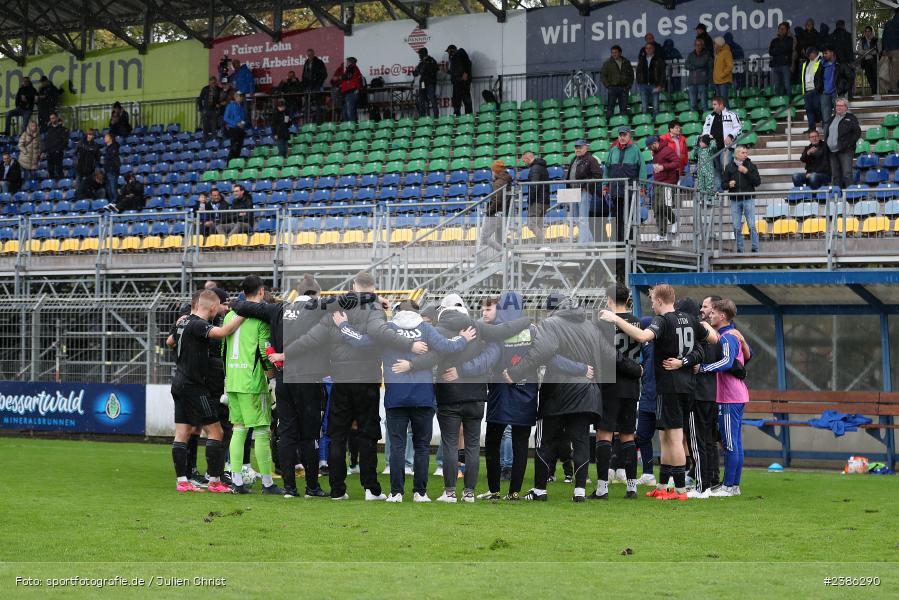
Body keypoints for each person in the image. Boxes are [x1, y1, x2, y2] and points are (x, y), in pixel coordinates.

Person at [284, 271, 424, 500]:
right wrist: (411, 345)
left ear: (352, 286)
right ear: (374, 288)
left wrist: (285, 354)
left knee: (338, 435)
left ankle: (338, 490)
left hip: (340, 379)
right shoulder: (374, 309)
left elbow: (312, 338)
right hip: (367, 379)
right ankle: (371, 489)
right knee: (367, 434)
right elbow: (379, 333)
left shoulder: (336, 308)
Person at [346, 299, 474, 503]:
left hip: (396, 395)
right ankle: (420, 493)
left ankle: (396, 492)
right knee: (422, 446)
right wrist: (464, 339)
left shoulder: (387, 330)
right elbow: (445, 348)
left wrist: (343, 326)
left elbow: (361, 342)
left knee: (397, 444)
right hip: (422, 395)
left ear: (397, 313)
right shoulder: (426, 328)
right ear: (418, 313)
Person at [599, 284, 711, 502]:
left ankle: (679, 490)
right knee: (665, 436)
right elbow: (710, 339)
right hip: (678, 384)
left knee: (675, 437)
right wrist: (685, 361)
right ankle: (663, 485)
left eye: (652, 300)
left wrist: (616, 320)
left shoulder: (662, 321)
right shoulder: (689, 320)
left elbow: (642, 337)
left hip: (670, 385)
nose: (651, 304)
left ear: (660, 300)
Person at [231, 274, 330, 499]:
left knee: (286, 433)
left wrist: (233, 304)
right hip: (309, 379)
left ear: (297, 292)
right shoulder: (320, 309)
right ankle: (312, 487)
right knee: (310, 435)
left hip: (284, 379)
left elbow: (245, 307)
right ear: (317, 293)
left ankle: (289, 488)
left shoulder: (278, 310)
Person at [507, 295, 611, 503]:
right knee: (581, 441)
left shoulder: (550, 324)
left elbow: (543, 353)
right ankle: (579, 490)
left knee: (545, 441)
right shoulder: (591, 327)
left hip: (557, 393)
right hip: (586, 392)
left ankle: (539, 490)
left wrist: (515, 373)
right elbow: (609, 355)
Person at [168, 289, 245, 493]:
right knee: (216, 431)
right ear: (212, 307)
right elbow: (222, 333)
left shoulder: (183, 322)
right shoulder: (199, 324)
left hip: (179, 382)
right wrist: (244, 314)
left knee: (183, 432)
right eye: (218, 306)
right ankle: (214, 482)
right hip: (194, 386)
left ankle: (183, 481)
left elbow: (169, 342)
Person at [432, 296, 498, 503]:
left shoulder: (437, 330)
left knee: (450, 443)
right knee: (472, 445)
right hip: (476, 395)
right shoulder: (480, 330)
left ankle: (450, 492)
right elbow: (488, 359)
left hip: (449, 395)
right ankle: (469, 492)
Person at [221, 276, 282, 495]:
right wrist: (271, 377)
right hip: (253, 381)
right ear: (262, 291)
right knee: (262, 431)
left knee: (238, 429)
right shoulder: (259, 317)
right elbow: (265, 351)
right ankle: (267, 483)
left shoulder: (230, 314)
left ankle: (236, 481)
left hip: (234, 380)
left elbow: (223, 350)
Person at [479, 293, 536, 501]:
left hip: (500, 391)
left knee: (493, 441)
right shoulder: (533, 330)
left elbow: (490, 358)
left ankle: (494, 490)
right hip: (526, 391)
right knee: (521, 444)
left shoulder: (496, 332)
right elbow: (542, 354)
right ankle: (514, 492)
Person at [592, 284, 643, 500]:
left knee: (604, 433)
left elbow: (603, 354)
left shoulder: (603, 321)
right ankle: (631, 487)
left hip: (610, 384)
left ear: (609, 299)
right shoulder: (638, 322)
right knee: (627, 434)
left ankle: (602, 488)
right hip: (631, 385)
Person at [697, 299, 749, 497]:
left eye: (713, 312)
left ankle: (728, 486)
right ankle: (733, 485)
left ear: (722, 316)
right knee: (735, 442)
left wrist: (703, 368)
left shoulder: (727, 337)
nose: (709, 314)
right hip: (735, 395)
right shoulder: (730, 335)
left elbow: (727, 362)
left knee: (729, 443)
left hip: (729, 397)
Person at [604, 128, 641, 244]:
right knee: (617, 217)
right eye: (620, 135)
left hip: (630, 190)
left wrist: (643, 186)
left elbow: (642, 168)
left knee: (630, 216)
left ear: (629, 136)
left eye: (624, 135)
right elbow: (607, 169)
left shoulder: (635, 150)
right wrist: (605, 185)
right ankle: (618, 241)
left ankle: (630, 241)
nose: (622, 137)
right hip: (615, 190)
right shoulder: (613, 151)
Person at [722, 145, 761, 253]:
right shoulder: (729, 166)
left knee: (752, 225)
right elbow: (723, 185)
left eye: (746, 153)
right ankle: (740, 249)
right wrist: (728, 184)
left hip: (748, 199)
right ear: (736, 154)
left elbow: (757, 182)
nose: (745, 155)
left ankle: (755, 248)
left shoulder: (751, 165)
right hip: (735, 200)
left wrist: (746, 172)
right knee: (736, 226)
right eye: (743, 153)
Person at [634, 316, 657, 486]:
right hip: (647, 395)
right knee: (642, 435)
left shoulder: (660, 343)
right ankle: (648, 473)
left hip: (662, 395)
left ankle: (676, 473)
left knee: (671, 436)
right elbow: (645, 363)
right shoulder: (645, 346)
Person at [567, 140, 603, 244]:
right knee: (576, 218)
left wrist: (586, 187)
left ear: (586, 148)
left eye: (580, 147)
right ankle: (590, 241)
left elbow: (597, 175)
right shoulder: (574, 159)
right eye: (576, 147)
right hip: (573, 192)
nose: (578, 149)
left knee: (582, 218)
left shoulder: (591, 159)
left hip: (584, 192)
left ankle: (582, 243)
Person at [702, 96, 742, 185]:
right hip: (713, 148)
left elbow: (739, 128)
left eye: (715, 104)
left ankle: (728, 192)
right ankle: (719, 193)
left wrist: (730, 136)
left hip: (726, 148)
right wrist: (706, 138)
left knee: (726, 169)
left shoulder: (732, 115)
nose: (713, 106)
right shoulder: (709, 117)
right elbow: (705, 130)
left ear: (721, 105)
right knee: (716, 171)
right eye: (713, 104)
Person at [647, 135, 679, 242]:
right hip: (658, 182)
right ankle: (662, 234)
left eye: (651, 147)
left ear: (655, 144)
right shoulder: (656, 153)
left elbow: (677, 162)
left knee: (663, 205)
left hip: (668, 183)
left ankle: (674, 220)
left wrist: (663, 167)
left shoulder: (667, 150)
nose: (650, 149)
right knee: (657, 208)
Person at [825, 98, 861, 189]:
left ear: (846, 107)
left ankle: (851, 197)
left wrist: (848, 144)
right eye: (837, 105)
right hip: (832, 152)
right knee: (835, 176)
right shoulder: (831, 118)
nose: (839, 107)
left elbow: (857, 133)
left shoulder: (851, 118)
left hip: (845, 150)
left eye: (841, 105)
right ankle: (837, 197)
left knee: (847, 174)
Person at [480, 160, 512, 251]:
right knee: (500, 239)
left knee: (485, 237)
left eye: (492, 170)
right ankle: (507, 255)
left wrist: (489, 211)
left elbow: (497, 200)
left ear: (495, 171)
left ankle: (505, 254)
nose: (492, 173)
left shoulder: (498, 183)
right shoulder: (506, 180)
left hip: (496, 214)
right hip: (503, 213)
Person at [816, 47, 853, 123]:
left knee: (841, 118)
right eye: (823, 53)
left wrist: (844, 88)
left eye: (826, 53)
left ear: (832, 53)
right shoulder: (821, 64)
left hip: (837, 94)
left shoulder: (840, 64)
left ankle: (840, 134)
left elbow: (851, 77)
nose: (824, 55)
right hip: (824, 94)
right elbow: (816, 78)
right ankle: (827, 135)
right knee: (826, 120)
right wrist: (819, 89)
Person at [522, 151, 549, 245]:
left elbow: (534, 186)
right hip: (544, 200)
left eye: (524, 160)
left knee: (532, 224)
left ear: (528, 158)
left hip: (537, 201)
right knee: (539, 225)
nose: (524, 163)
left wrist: (530, 200)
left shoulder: (535, 168)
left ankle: (543, 244)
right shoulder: (542, 167)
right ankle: (540, 246)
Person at [600, 45, 634, 120]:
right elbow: (603, 76)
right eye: (612, 53)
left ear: (620, 53)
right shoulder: (607, 63)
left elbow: (631, 75)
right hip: (613, 88)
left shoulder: (626, 62)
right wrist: (608, 86)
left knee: (623, 108)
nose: (614, 54)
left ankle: (623, 123)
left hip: (624, 88)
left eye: (616, 52)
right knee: (610, 107)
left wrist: (629, 85)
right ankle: (609, 124)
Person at [636, 41, 665, 116]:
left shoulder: (658, 59)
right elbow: (638, 71)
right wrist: (639, 82)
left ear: (653, 49)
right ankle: (645, 121)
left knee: (655, 106)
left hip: (654, 85)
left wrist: (660, 85)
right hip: (643, 85)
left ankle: (656, 123)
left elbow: (662, 74)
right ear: (645, 49)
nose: (648, 50)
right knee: (644, 106)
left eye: (650, 48)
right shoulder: (642, 59)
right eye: (646, 48)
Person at [686, 38, 713, 112]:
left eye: (700, 45)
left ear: (703, 46)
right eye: (697, 45)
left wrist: (694, 65)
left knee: (704, 104)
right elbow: (686, 65)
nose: (698, 46)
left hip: (702, 82)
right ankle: (692, 121)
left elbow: (704, 63)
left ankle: (707, 121)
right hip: (692, 82)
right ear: (694, 45)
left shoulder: (707, 54)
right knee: (693, 105)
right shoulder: (691, 55)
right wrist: (696, 67)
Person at [769, 22, 795, 96]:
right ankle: (778, 102)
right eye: (780, 29)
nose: (781, 30)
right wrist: (780, 50)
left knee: (787, 84)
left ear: (787, 30)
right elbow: (771, 52)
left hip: (785, 65)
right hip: (776, 65)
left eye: (783, 29)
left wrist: (777, 50)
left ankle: (790, 100)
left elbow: (787, 49)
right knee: (777, 86)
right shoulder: (774, 41)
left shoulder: (790, 39)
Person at [301, 49, 328, 122]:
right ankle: (307, 121)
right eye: (308, 55)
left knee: (317, 104)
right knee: (307, 104)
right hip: (308, 86)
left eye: (310, 54)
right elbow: (304, 75)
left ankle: (318, 121)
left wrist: (319, 83)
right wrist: (304, 85)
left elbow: (324, 74)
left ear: (313, 54)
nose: (309, 56)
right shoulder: (306, 63)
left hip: (316, 86)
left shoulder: (319, 62)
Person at [446, 45, 473, 116]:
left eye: (449, 51)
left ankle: (469, 116)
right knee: (456, 100)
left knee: (466, 99)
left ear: (452, 50)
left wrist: (466, 73)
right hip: (456, 82)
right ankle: (457, 116)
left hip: (463, 82)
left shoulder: (461, 52)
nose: (448, 53)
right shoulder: (452, 59)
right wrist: (447, 71)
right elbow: (455, 71)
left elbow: (468, 63)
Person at [413, 48, 439, 118]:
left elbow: (436, 70)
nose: (419, 56)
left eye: (420, 54)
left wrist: (426, 68)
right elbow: (415, 73)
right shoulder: (421, 63)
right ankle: (422, 117)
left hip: (430, 83)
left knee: (433, 100)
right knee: (421, 100)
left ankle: (436, 117)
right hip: (423, 83)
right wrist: (416, 71)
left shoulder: (432, 61)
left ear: (423, 54)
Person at [802, 48, 823, 132]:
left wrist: (819, 87)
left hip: (816, 90)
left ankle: (821, 120)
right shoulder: (806, 63)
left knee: (817, 107)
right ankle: (812, 128)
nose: (809, 57)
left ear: (814, 53)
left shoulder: (821, 61)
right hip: (807, 90)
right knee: (809, 110)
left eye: (810, 55)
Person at [224, 91, 247, 162]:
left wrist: (243, 123)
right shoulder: (230, 106)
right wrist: (236, 123)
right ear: (236, 97)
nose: (241, 97)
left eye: (241, 96)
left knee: (239, 147)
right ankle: (229, 163)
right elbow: (225, 118)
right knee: (234, 147)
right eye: (240, 96)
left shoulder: (241, 107)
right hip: (233, 129)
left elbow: (243, 118)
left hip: (240, 129)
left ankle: (235, 163)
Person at [339, 57, 364, 123]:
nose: (346, 63)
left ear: (350, 62)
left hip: (351, 91)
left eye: (347, 62)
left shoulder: (352, 67)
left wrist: (340, 77)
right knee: (347, 111)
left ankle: (351, 127)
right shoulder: (354, 68)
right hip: (350, 92)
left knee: (349, 111)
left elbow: (347, 77)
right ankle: (350, 126)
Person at [44, 112, 68, 180]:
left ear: (57, 118)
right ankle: (52, 184)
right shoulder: (49, 129)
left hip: (58, 153)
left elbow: (65, 141)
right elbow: (47, 141)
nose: (52, 120)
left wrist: (58, 150)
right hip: (50, 153)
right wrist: (46, 150)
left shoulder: (63, 129)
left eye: (53, 118)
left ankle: (61, 184)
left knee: (59, 170)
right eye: (51, 118)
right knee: (50, 170)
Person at [858, 26, 880, 94]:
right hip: (866, 62)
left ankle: (876, 91)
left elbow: (878, 50)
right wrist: (868, 51)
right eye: (866, 31)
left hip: (874, 61)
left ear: (871, 32)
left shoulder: (876, 39)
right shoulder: (862, 40)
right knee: (869, 77)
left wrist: (868, 52)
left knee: (875, 77)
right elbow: (859, 50)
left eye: (869, 31)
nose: (867, 33)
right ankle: (874, 91)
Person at [712, 37, 734, 107]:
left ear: (719, 44)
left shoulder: (726, 52)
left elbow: (730, 66)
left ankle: (727, 116)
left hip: (724, 81)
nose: (714, 46)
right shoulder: (718, 53)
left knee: (724, 101)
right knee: (719, 102)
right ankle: (721, 116)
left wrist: (722, 75)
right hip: (717, 81)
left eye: (715, 44)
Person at [102, 132, 120, 204]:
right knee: (109, 189)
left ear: (110, 138)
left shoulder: (113, 147)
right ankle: (111, 203)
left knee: (113, 189)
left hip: (112, 171)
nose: (104, 138)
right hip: (107, 171)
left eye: (106, 137)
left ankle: (116, 204)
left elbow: (114, 160)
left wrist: (111, 168)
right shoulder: (108, 148)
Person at [884, 9, 899, 93]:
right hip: (897, 49)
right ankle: (894, 88)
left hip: (889, 51)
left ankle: (890, 87)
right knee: (896, 69)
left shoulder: (888, 23)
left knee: (891, 69)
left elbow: (884, 38)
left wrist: (885, 49)